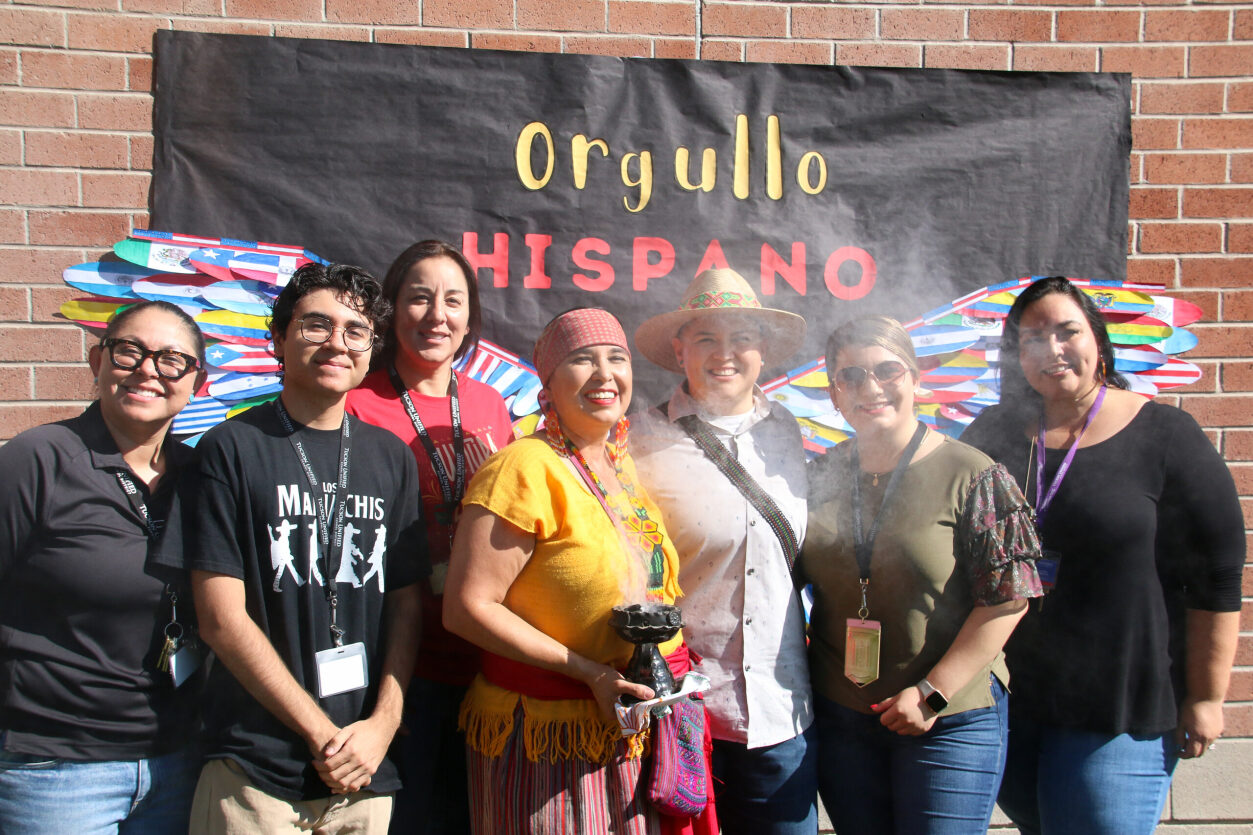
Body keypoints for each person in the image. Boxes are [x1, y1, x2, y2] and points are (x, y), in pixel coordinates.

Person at [961, 276, 1244, 835]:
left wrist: (1207, 697)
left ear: (1097, 338)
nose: (1052, 349)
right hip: (1010, 703)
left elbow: (1216, 574)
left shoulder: (1166, 435)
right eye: (1032, 338)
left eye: (1067, 331)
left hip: (1117, 706)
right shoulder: (992, 434)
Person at [167, 263, 428, 834]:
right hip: (255, 771)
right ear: (279, 338)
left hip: (365, 770)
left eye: (356, 331)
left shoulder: (391, 458)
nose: (338, 343)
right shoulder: (229, 449)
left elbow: (407, 602)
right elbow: (220, 619)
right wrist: (322, 735)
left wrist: (383, 725)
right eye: (316, 326)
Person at [443, 307, 712, 835]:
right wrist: (587, 672)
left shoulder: (619, 465)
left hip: (630, 730)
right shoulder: (521, 467)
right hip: (549, 738)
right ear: (548, 382)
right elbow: (467, 608)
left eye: (616, 358)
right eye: (582, 360)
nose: (604, 374)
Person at [802, 314, 1043, 834]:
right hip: (844, 717)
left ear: (915, 378)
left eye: (888, 370)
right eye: (851, 376)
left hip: (947, 717)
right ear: (834, 394)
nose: (871, 387)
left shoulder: (972, 473)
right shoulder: (817, 476)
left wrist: (933, 694)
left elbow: (1009, 598)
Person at [0, 300, 206, 833]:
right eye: (129, 352)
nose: (147, 370)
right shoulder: (38, 460)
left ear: (196, 382)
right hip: (56, 771)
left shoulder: (200, 477)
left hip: (179, 761)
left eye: (171, 360)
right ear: (97, 362)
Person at [631, 268, 817, 834]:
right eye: (707, 338)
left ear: (762, 351)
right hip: (680, 717)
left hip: (780, 716)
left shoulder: (786, 431)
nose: (725, 353)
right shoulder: (639, 440)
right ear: (680, 349)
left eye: (741, 337)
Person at [345, 240, 513, 834]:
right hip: (402, 667)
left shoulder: (492, 405)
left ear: (470, 318)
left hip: (488, 667)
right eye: (419, 297)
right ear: (392, 308)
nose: (436, 315)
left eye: (453, 300)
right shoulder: (358, 403)